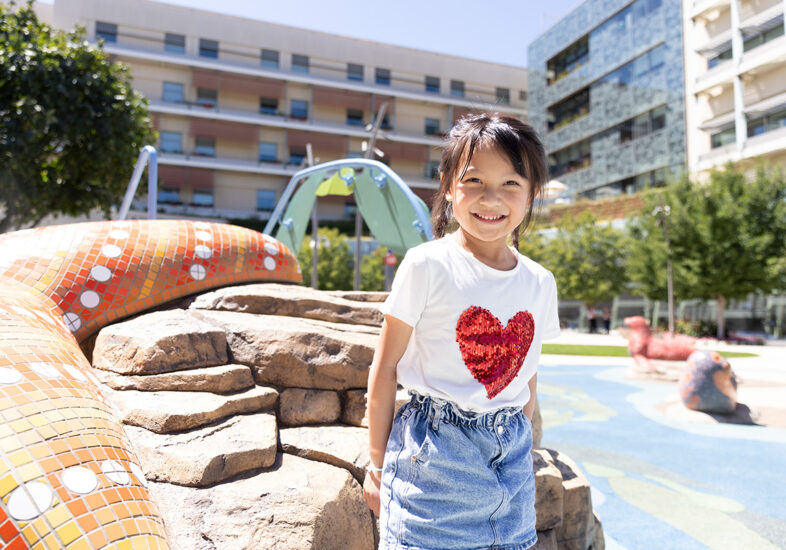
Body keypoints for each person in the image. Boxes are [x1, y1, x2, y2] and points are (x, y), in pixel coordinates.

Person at [363, 113, 560, 550]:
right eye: (474, 181)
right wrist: (375, 466)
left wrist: (518, 446)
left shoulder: (539, 281)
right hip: (433, 461)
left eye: (511, 183)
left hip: (510, 463)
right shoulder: (427, 264)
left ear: (531, 194)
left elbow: (526, 377)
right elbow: (385, 367)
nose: (492, 199)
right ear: (449, 186)